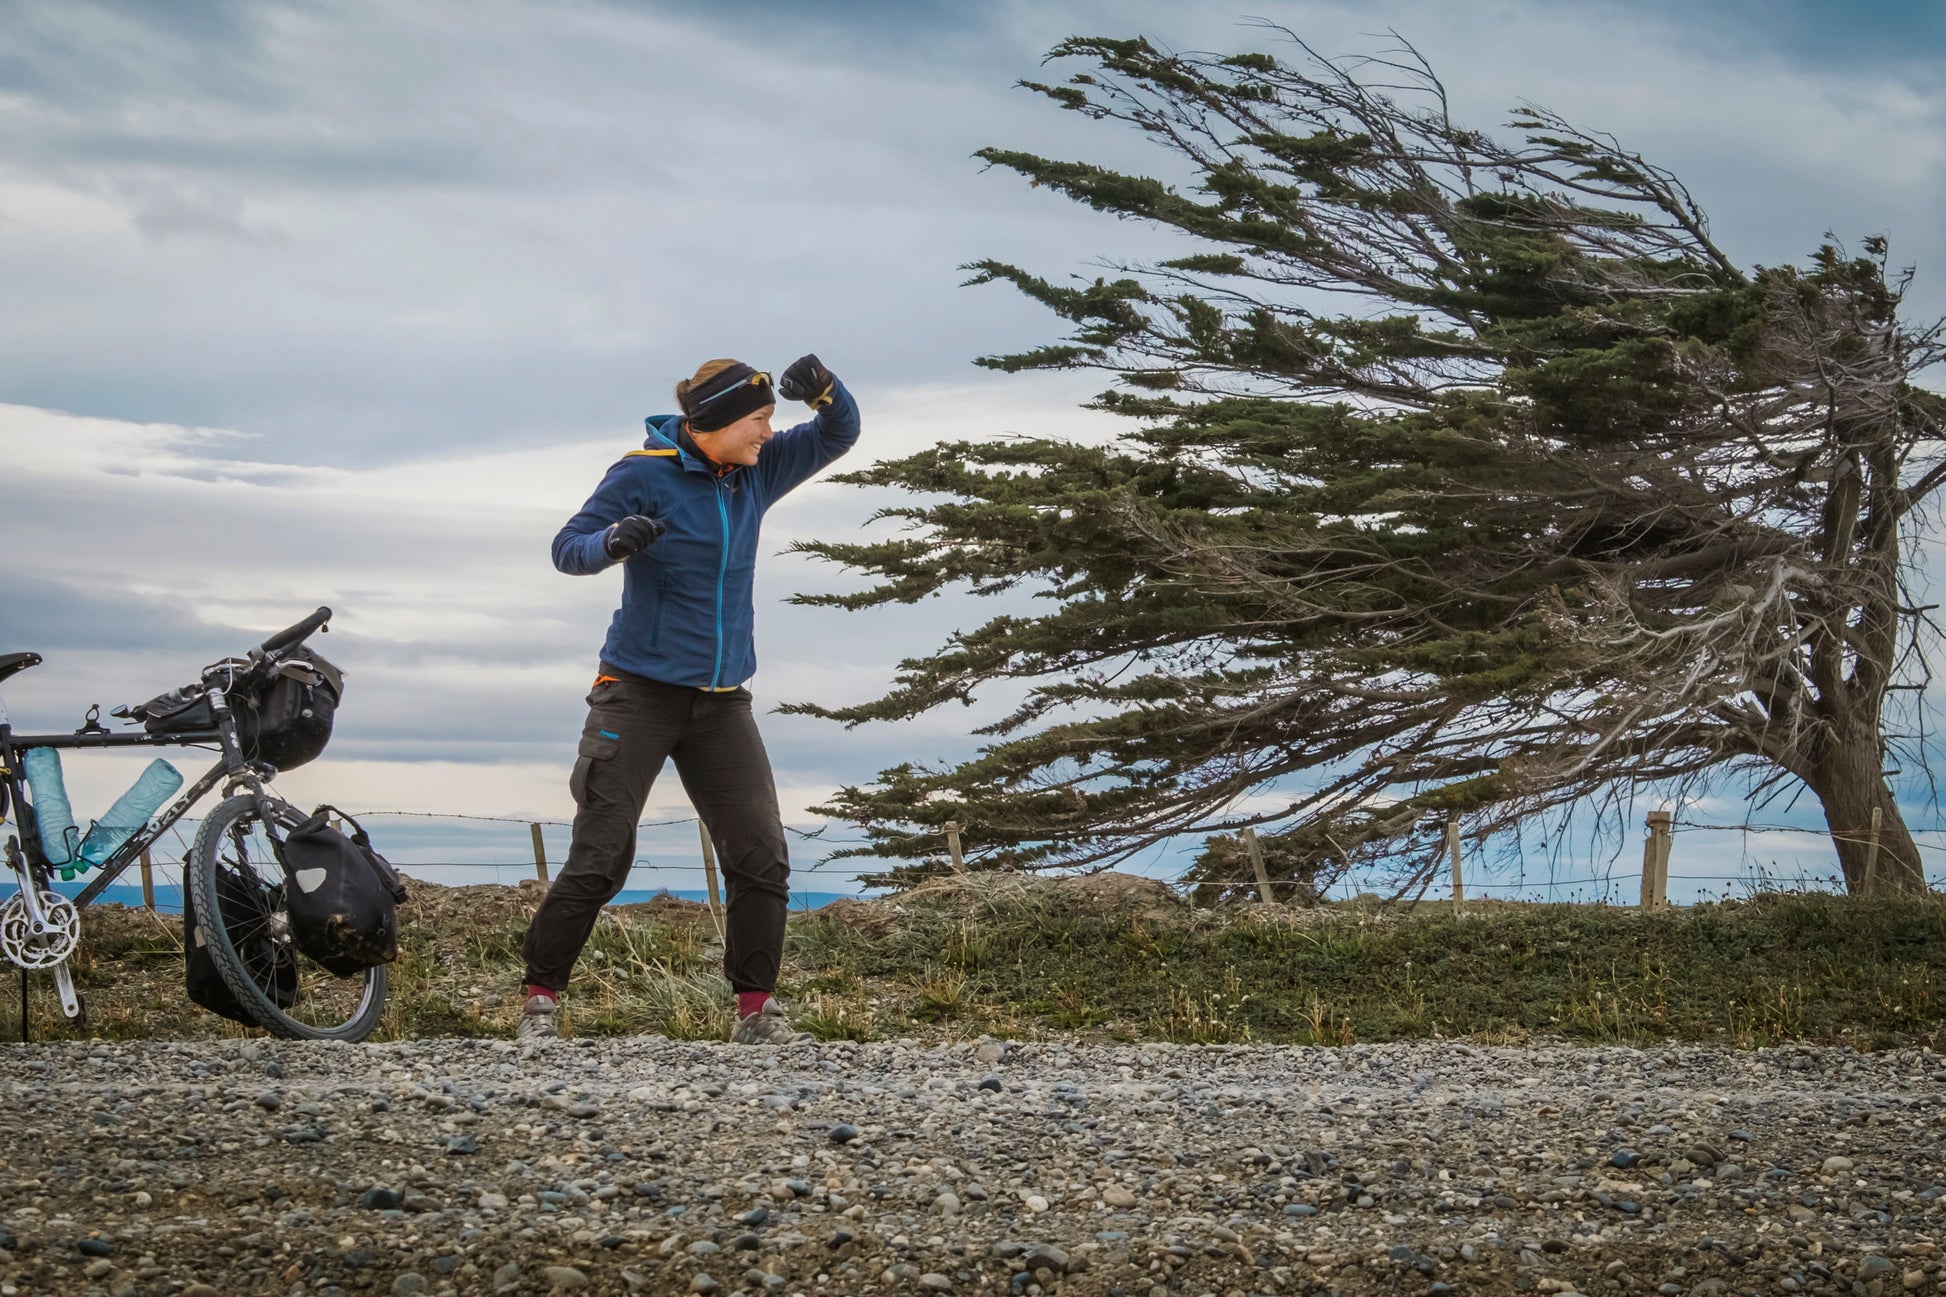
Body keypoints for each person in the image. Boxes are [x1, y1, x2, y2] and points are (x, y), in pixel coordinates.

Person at [519, 354, 859, 1044]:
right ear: (722, 421)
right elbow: (567, 546)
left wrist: (826, 393)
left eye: (771, 419)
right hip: (637, 692)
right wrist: (613, 541)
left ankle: (756, 1011)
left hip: (723, 701)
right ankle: (539, 1002)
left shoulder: (757, 472)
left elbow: (837, 434)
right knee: (601, 854)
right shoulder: (643, 473)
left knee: (761, 853)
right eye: (761, 419)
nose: (770, 431)